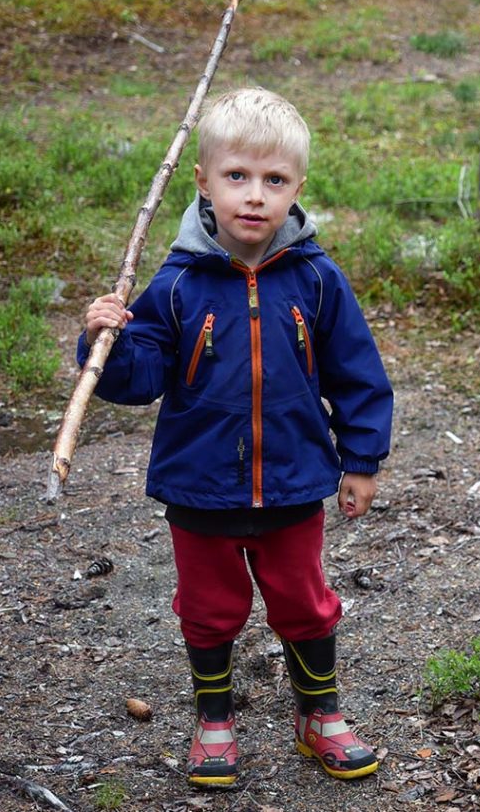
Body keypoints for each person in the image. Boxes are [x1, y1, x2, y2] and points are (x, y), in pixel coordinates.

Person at [79, 87, 394, 784]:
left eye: (274, 180)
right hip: (200, 487)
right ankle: (214, 718)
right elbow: (139, 378)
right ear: (203, 182)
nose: (254, 195)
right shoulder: (177, 284)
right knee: (209, 608)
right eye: (237, 176)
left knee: (304, 601)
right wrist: (107, 340)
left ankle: (319, 715)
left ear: (297, 189)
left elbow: (357, 374)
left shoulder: (316, 279)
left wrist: (362, 459)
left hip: (293, 483)